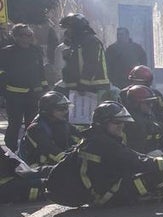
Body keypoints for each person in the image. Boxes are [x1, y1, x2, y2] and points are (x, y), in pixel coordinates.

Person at [46, 101, 163, 207]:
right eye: (116, 122)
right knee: (160, 171)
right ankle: (140, 197)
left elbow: (130, 156)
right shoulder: (103, 143)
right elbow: (137, 161)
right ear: (103, 123)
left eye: (122, 122)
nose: (121, 126)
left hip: (101, 189)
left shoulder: (96, 138)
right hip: (107, 195)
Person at [0, 23, 47, 151]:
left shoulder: (35, 51)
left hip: (33, 94)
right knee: (14, 124)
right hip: (14, 95)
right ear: (15, 36)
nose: (27, 37)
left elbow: (41, 71)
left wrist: (44, 88)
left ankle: (29, 150)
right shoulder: (7, 52)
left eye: (29, 34)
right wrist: (5, 85)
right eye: (23, 35)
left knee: (32, 125)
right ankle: (10, 152)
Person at [125, 66, 163, 154]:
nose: (150, 105)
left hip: (153, 119)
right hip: (133, 122)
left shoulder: (154, 93)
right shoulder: (123, 94)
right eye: (134, 82)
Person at [19, 91, 81, 167]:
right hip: (36, 170)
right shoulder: (36, 129)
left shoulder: (62, 123)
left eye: (66, 108)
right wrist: (76, 159)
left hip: (55, 165)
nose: (65, 111)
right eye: (61, 109)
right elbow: (53, 151)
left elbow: (80, 136)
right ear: (48, 110)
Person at [58, 13, 110, 95]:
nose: (67, 31)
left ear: (77, 28)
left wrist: (83, 83)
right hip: (78, 88)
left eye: (69, 28)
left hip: (94, 88)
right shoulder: (76, 43)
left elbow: (91, 63)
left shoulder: (91, 41)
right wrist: (68, 58)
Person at [119, 85, 163, 154]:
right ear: (135, 104)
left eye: (152, 102)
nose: (151, 105)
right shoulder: (134, 123)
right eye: (148, 103)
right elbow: (138, 149)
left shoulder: (146, 115)